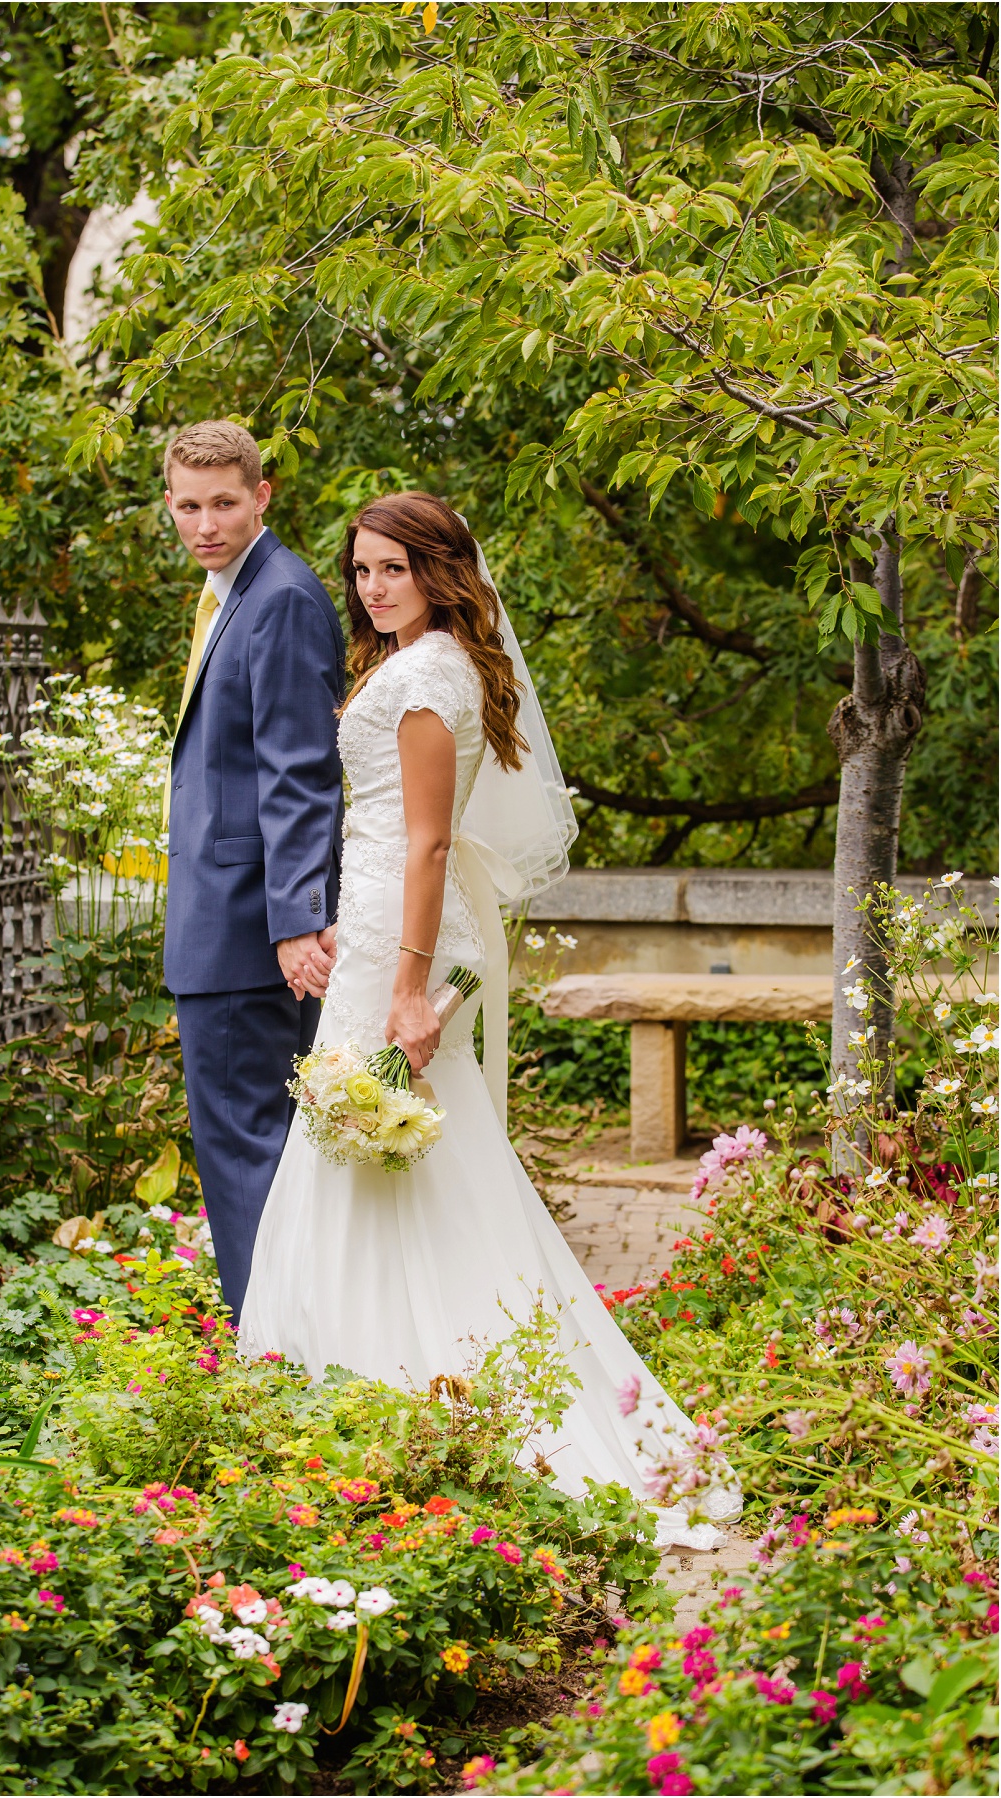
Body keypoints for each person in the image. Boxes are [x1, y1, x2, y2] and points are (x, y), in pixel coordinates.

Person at [240, 491, 741, 1548]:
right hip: (379, 927)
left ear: (438, 571)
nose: (374, 587)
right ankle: (395, 1385)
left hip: (393, 945)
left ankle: (408, 1390)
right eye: (363, 569)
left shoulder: (425, 678)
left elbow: (427, 844)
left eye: (394, 569)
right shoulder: (424, 664)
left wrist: (413, 988)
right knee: (413, 1168)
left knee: (379, 1160)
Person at [162, 421, 344, 1324]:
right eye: (189, 506)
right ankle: (285, 1341)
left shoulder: (279, 597)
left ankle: (269, 1354)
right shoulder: (230, 594)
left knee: (243, 1150)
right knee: (251, 1144)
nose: (206, 523)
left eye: (224, 503)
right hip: (226, 923)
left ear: (261, 497)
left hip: (247, 934)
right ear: (170, 503)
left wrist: (295, 921)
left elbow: (301, 770)